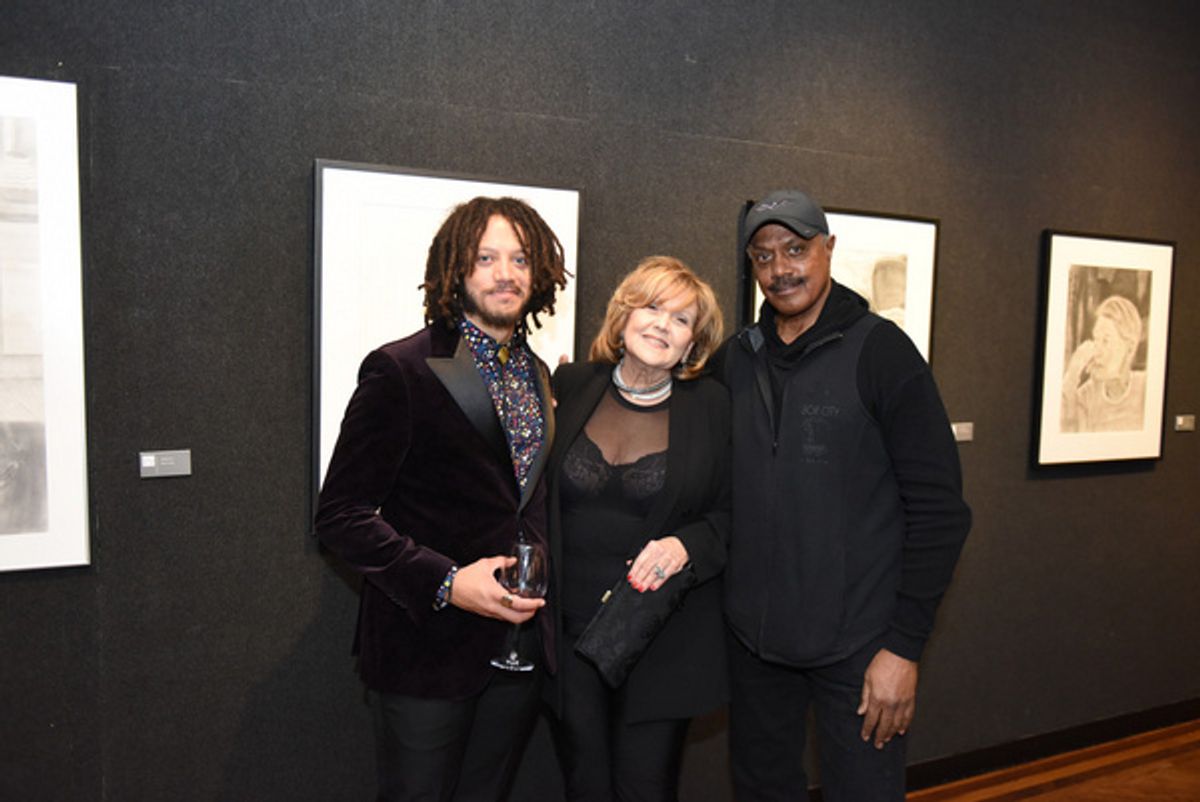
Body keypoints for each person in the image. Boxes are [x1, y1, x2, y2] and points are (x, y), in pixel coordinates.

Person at [714, 189, 971, 802]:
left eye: (796, 249)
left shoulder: (883, 352)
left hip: (860, 649)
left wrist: (903, 648)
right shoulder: (737, 360)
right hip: (756, 644)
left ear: (829, 249)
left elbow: (940, 512)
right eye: (764, 256)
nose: (781, 269)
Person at [314, 196, 568, 802]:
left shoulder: (536, 373)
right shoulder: (401, 369)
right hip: (425, 647)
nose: (505, 273)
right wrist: (449, 582)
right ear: (456, 270)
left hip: (519, 650)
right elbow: (340, 516)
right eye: (486, 257)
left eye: (520, 258)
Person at [546, 256, 730, 802]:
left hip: (659, 639)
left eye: (680, 320)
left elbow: (735, 512)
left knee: (645, 789)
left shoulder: (712, 407)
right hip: (568, 636)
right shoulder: (572, 383)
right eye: (652, 308)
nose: (661, 326)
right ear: (624, 316)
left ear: (692, 344)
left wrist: (686, 544)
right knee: (585, 784)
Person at [1060, 294, 1146, 432]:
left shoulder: (1146, 388)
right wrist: (1073, 373)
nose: (1096, 352)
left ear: (1129, 348)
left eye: (1106, 341)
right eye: (1096, 340)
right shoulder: (1086, 396)